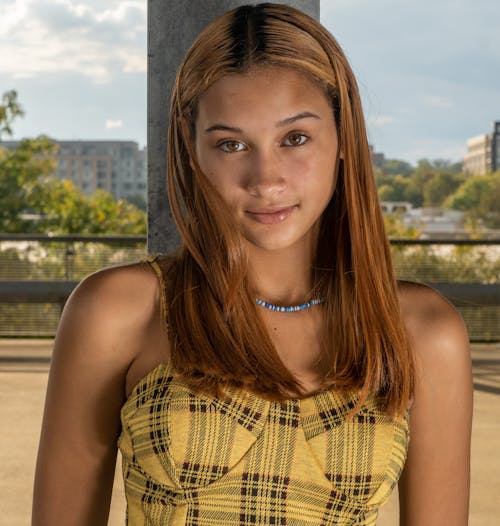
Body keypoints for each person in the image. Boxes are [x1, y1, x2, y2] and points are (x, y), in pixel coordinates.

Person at [32, 3, 473, 525]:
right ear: (192, 151)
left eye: (295, 138)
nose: (265, 179)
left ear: (343, 139)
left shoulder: (423, 333)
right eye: (231, 144)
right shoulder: (118, 311)